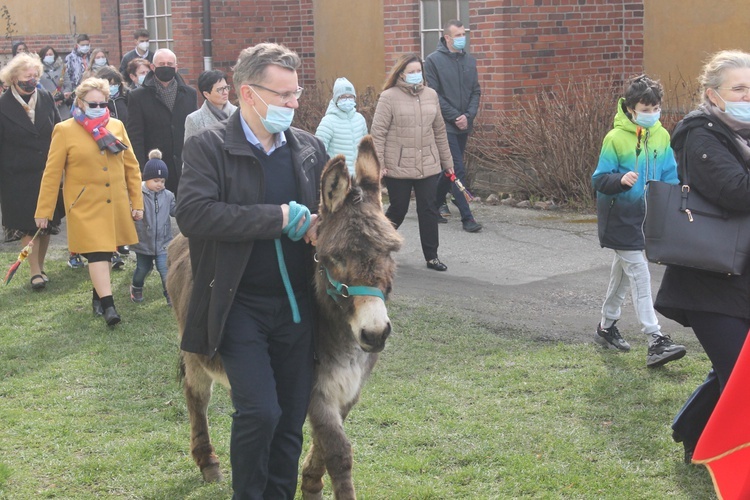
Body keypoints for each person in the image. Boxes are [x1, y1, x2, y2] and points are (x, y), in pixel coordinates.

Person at [176, 42, 326, 498]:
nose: (294, 104)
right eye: (283, 95)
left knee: (289, 416)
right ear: (248, 93)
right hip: (238, 304)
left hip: (299, 306)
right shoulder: (208, 148)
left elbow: (327, 213)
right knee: (260, 412)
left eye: (296, 93)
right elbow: (194, 214)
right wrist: (278, 218)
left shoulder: (308, 148)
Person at [654, 50, 750, 463]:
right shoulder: (699, 135)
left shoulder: (743, 134)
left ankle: (690, 429)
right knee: (740, 376)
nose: (748, 95)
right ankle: (710, 449)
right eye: (739, 88)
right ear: (713, 95)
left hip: (739, 274)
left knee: (736, 370)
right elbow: (737, 192)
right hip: (710, 277)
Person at [591, 75, 686, 367]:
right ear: (631, 108)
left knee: (622, 274)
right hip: (619, 218)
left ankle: (606, 328)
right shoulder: (614, 138)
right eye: (645, 108)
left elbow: (670, 176)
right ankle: (655, 338)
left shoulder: (661, 135)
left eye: (655, 107)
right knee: (640, 274)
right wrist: (620, 179)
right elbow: (599, 180)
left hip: (648, 219)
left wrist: (679, 200)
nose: (651, 113)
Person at [35, 77, 143, 326]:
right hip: (84, 205)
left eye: (102, 103)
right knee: (97, 253)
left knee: (105, 252)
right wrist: (44, 211)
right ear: (80, 102)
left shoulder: (116, 126)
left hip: (113, 202)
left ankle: (98, 297)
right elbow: (52, 174)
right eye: (92, 103)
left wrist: (136, 202)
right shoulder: (65, 130)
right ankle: (109, 307)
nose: (98, 107)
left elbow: (132, 167)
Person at [371, 53, 454, 272]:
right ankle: (376, 246)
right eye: (412, 72)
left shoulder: (431, 95)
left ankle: (432, 256)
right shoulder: (389, 97)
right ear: (401, 74)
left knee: (428, 209)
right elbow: (378, 133)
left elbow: (439, 130)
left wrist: (447, 162)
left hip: (427, 162)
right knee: (399, 208)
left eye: (419, 71)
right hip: (397, 164)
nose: (417, 75)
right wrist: (379, 164)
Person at [0, 53, 61, 290]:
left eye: (35, 75)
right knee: (28, 224)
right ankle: (34, 271)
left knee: (45, 224)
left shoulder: (45, 97)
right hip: (16, 176)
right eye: (27, 76)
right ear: (14, 78)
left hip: (47, 172)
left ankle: (41, 266)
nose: (32, 80)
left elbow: (57, 130)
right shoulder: (3, 105)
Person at [424, 19, 483, 233]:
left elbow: (475, 91)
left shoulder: (469, 61)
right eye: (457, 35)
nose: (462, 38)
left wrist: (468, 115)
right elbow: (434, 94)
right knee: (456, 169)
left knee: (447, 171)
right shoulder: (433, 61)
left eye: (463, 34)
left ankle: (432, 205)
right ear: (447, 38)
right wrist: (455, 116)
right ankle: (467, 217)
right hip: (444, 126)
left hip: (464, 124)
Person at [127, 48, 197, 194]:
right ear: (153, 67)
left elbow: (195, 132)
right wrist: (140, 169)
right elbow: (135, 136)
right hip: (154, 168)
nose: (166, 67)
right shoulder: (137, 96)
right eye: (162, 63)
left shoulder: (190, 94)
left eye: (170, 64)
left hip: (185, 168)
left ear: (176, 67)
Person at [130, 149, 175, 305]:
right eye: (156, 180)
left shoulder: (168, 196)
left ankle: (170, 295)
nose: (159, 184)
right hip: (144, 242)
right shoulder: (138, 195)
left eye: (162, 181)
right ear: (146, 178)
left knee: (165, 270)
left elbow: (175, 210)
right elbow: (131, 210)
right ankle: (136, 287)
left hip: (163, 242)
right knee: (142, 270)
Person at [314, 76, 368, 176]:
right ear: (336, 99)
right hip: (338, 178)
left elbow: (365, 147)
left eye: (350, 97)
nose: (347, 100)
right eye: (343, 97)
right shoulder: (328, 121)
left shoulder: (360, 119)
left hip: (358, 178)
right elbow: (318, 151)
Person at [183, 69, 237, 140]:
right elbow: (190, 149)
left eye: (226, 88)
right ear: (206, 94)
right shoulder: (194, 119)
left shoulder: (239, 113)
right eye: (220, 89)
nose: (225, 92)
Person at [38, 45, 71, 120]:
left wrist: (63, 97)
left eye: (50, 54)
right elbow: (38, 88)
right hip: (47, 106)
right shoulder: (38, 70)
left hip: (62, 106)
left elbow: (68, 84)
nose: (48, 56)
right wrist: (51, 100)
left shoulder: (62, 68)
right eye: (46, 55)